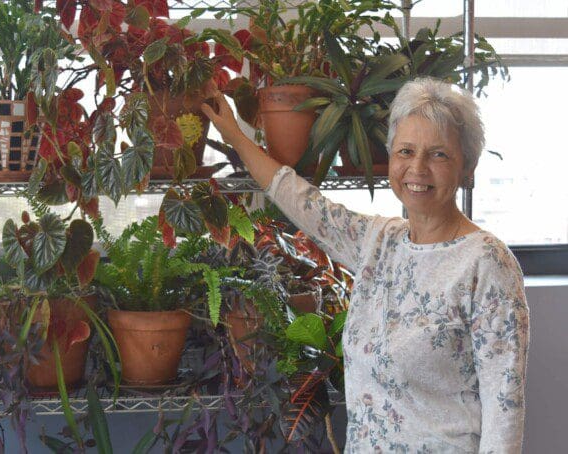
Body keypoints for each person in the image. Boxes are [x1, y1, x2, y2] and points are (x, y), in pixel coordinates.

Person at [201, 77, 530, 453]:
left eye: (438, 154)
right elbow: (300, 201)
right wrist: (235, 135)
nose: (417, 168)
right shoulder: (379, 242)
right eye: (405, 151)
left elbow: (505, 409)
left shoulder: (486, 263)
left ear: (467, 168)